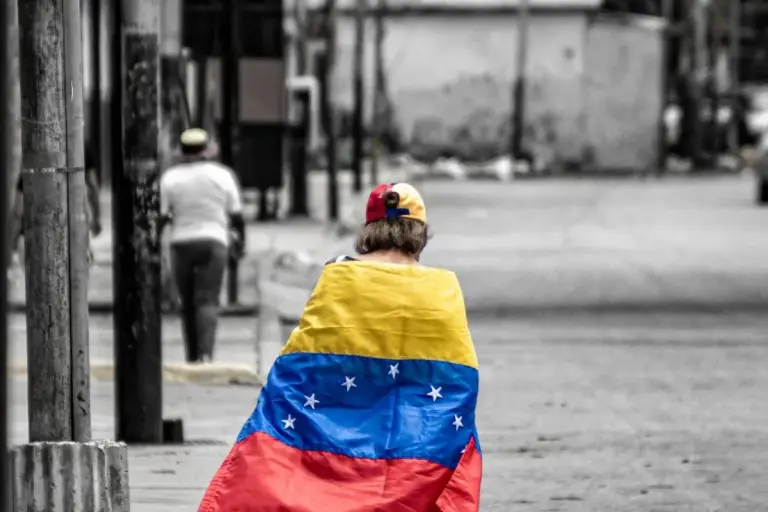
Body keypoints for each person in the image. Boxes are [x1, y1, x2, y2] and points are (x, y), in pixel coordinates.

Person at [199, 183, 482, 512]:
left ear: (369, 229)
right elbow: (458, 377)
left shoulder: (337, 275)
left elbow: (301, 358)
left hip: (333, 430)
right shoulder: (443, 288)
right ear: (419, 231)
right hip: (408, 443)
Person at [159, 128, 245, 363]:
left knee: (187, 303)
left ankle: (191, 356)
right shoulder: (223, 175)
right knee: (207, 299)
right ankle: (206, 355)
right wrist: (240, 245)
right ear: (208, 150)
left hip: (181, 243)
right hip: (214, 241)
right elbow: (236, 216)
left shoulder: (170, 178)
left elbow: (162, 216)